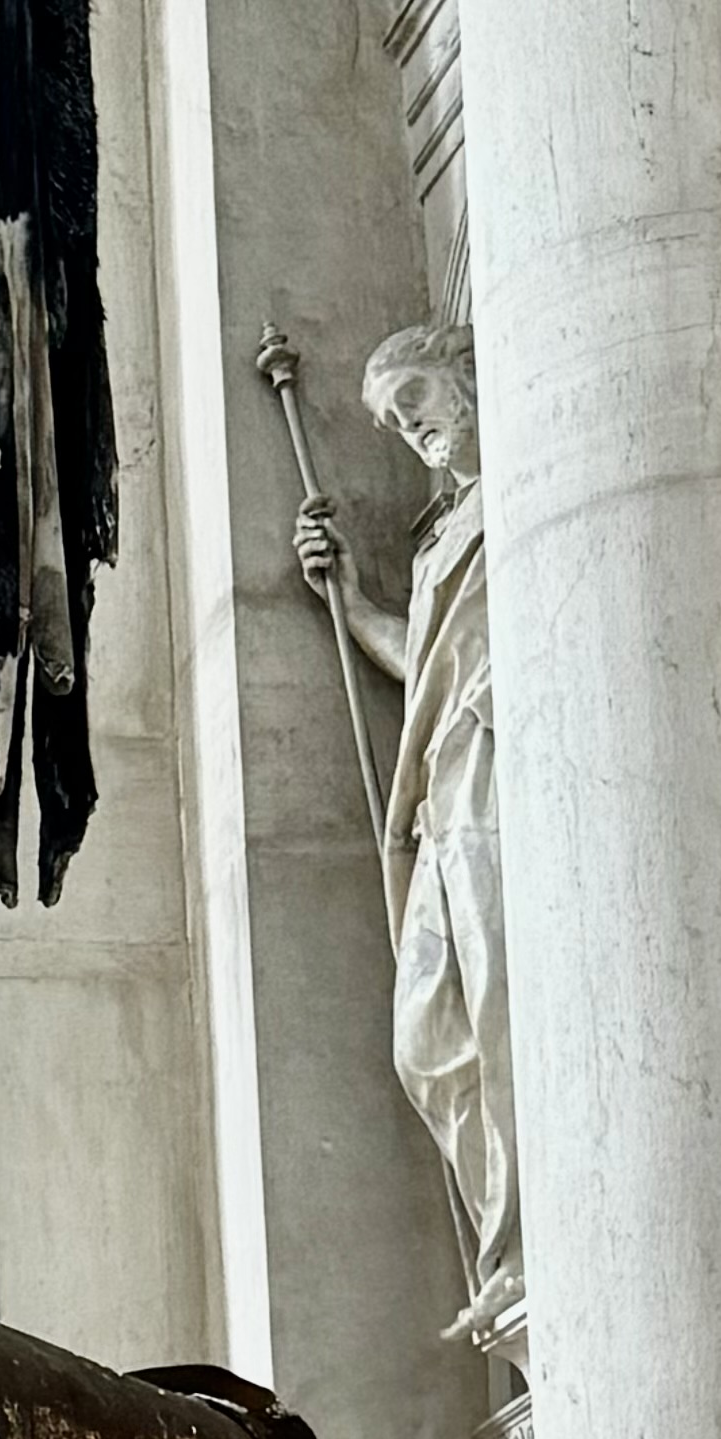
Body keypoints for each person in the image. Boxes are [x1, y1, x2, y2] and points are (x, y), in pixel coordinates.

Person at [292, 321, 520, 1349]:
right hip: (444, 794)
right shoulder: (445, 540)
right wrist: (348, 601)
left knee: (502, 995)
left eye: (414, 400)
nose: (409, 429)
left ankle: (526, 1245)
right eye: (392, 422)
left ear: (468, 371)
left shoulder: (532, 481)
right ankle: (509, 1230)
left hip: (496, 775)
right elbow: (425, 664)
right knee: (428, 1038)